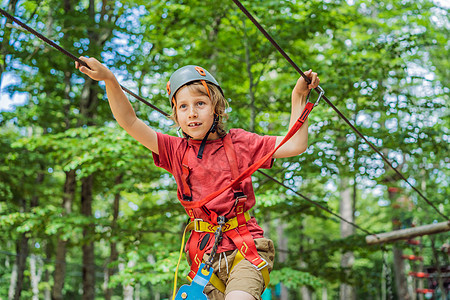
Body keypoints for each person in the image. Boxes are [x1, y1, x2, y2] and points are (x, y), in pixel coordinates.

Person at [75, 57, 319, 300]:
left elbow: (295, 143)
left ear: (216, 109)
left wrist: (298, 97)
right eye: (183, 106)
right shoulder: (175, 150)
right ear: (176, 115)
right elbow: (129, 121)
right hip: (205, 262)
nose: (192, 113)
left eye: (200, 103)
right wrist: (109, 79)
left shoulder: (240, 143)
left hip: (245, 250)